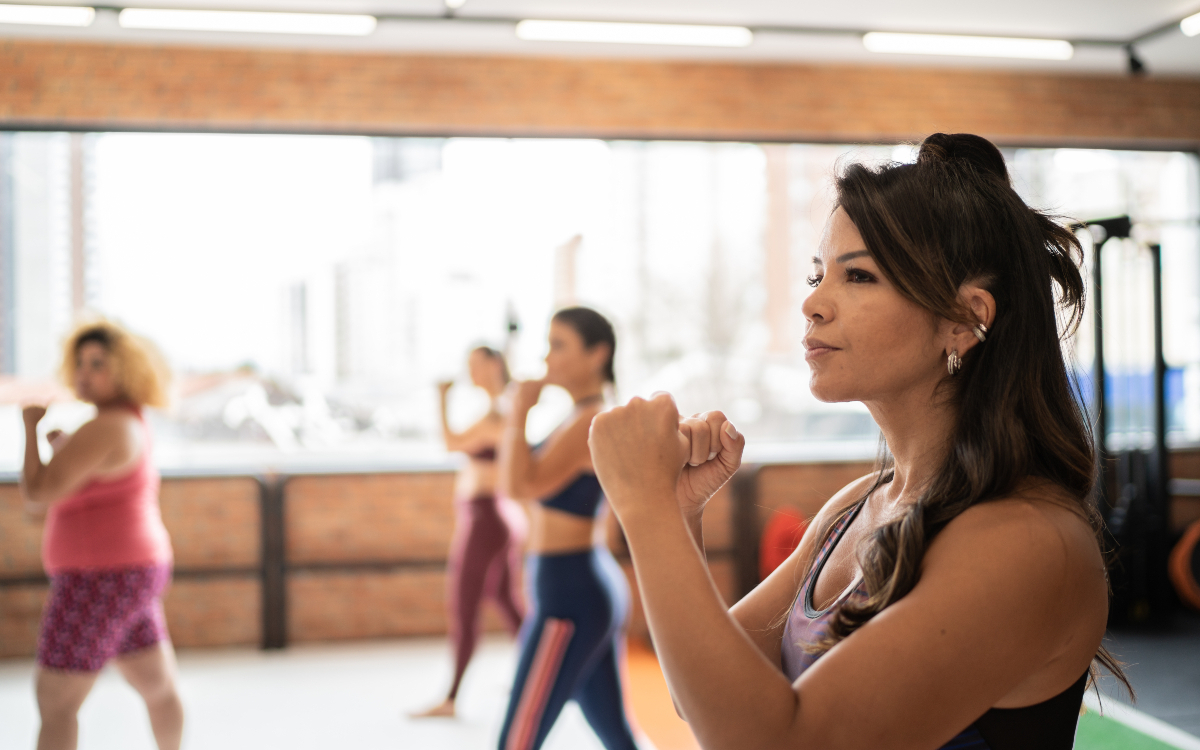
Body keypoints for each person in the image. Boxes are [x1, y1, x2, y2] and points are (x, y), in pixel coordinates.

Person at [588, 133, 1129, 750]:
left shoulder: (1026, 540)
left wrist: (646, 510)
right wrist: (679, 512)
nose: (813, 303)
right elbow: (701, 700)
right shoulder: (854, 508)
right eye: (819, 274)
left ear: (967, 318)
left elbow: (774, 742)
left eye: (859, 275)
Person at [20, 320, 182, 750]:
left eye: (98, 364)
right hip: (131, 571)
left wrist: (30, 429)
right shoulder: (125, 422)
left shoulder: (107, 426)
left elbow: (38, 493)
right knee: (156, 682)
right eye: (80, 364)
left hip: (100, 577)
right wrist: (65, 449)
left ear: (126, 371)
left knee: (55, 701)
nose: (84, 375)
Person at [496, 307, 638, 750]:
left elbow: (517, 485)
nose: (547, 358)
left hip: (570, 593)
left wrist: (519, 411)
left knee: (517, 739)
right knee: (618, 737)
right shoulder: (579, 414)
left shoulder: (590, 421)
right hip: (578, 585)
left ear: (598, 353)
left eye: (559, 345)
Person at [412, 346, 526, 719]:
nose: (470, 373)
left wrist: (441, 400)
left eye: (476, 365)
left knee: (464, 605)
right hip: (490, 517)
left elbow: (451, 443)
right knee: (507, 602)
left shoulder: (500, 411)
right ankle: (537, 670)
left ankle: (451, 698)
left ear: (494, 365)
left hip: (487, 520)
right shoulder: (500, 408)